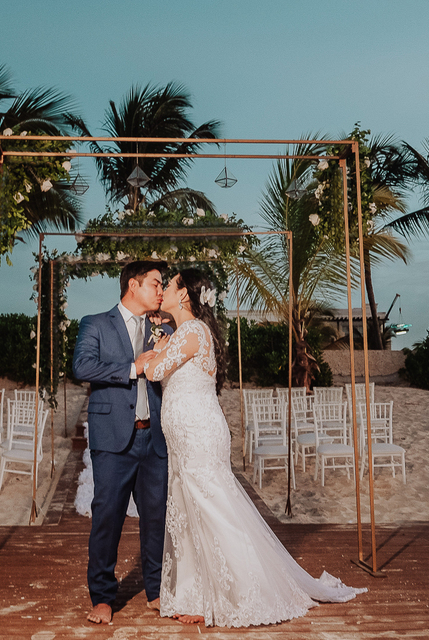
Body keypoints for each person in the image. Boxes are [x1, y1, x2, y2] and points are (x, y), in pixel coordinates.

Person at [135, 269, 366, 627]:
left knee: (214, 512)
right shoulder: (183, 333)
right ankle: (196, 596)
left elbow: (152, 371)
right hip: (183, 438)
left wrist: (154, 353)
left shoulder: (193, 332)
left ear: (184, 295)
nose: (163, 289)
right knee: (189, 514)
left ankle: (246, 593)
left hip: (199, 434)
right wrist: (162, 346)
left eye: (169, 284)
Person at [72, 260, 170, 626]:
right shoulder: (95, 323)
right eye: (156, 284)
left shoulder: (163, 328)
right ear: (133, 285)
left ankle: (157, 590)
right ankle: (102, 597)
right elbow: (82, 367)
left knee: (157, 517)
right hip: (113, 438)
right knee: (108, 517)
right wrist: (134, 368)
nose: (161, 291)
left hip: (154, 437)